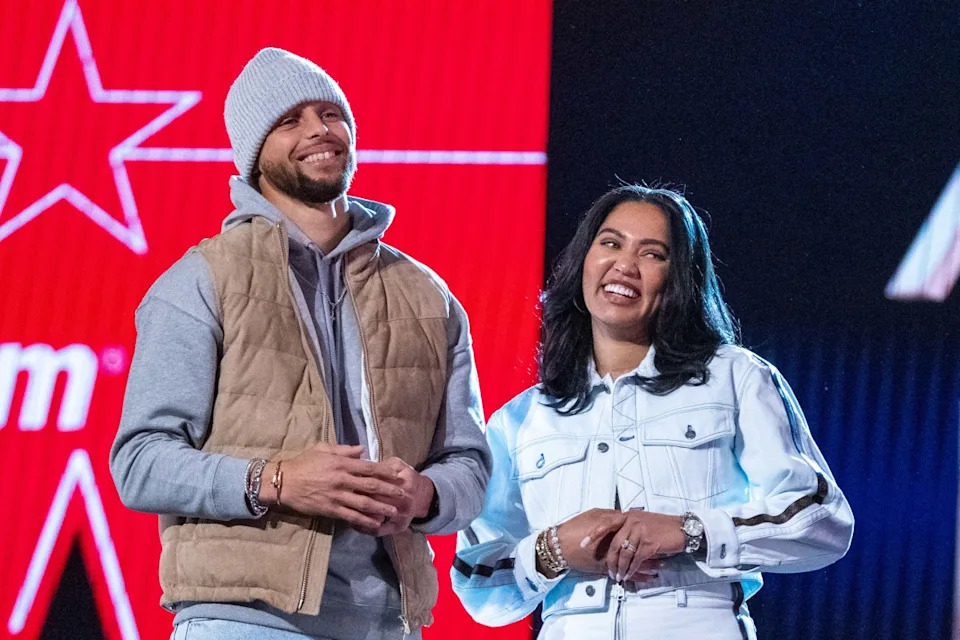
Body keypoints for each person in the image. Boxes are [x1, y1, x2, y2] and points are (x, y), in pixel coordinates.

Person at [110, 47, 491, 640]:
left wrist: (424, 495)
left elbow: (469, 463)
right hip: (242, 620)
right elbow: (140, 462)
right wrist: (279, 480)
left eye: (331, 114)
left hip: (387, 625)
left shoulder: (426, 294)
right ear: (253, 154)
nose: (319, 130)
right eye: (290, 120)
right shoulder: (203, 279)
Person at [451, 184, 854, 639]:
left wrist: (690, 532)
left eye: (653, 254)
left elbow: (824, 520)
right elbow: (477, 583)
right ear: (583, 261)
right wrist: (554, 549)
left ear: (680, 278)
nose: (625, 265)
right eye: (610, 243)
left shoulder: (736, 377)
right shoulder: (520, 419)